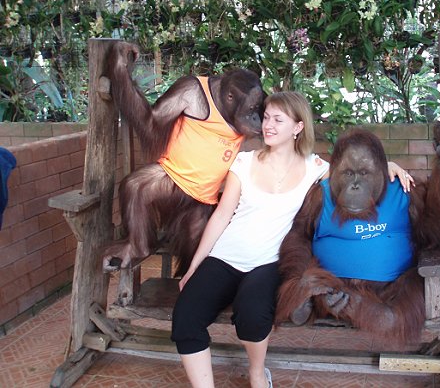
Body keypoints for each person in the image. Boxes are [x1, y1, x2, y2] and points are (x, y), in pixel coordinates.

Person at [171, 91, 414, 388]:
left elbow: (356, 171)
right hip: (225, 257)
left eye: (277, 119)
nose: (267, 125)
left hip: (269, 263)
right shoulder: (244, 162)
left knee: (252, 316)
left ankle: (257, 373)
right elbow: (221, 216)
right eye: (266, 118)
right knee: (185, 317)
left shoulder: (317, 168)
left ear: (298, 127)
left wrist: (389, 166)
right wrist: (195, 266)